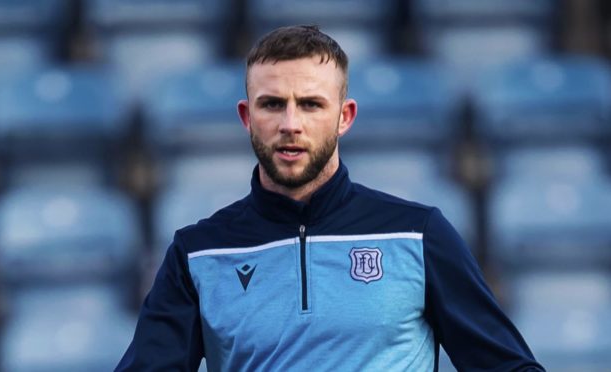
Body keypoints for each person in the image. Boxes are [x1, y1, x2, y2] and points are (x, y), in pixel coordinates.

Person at [116, 25, 544, 371]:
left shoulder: (419, 234)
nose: (290, 123)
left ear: (344, 117)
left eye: (310, 104)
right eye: (272, 104)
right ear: (247, 117)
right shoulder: (200, 252)